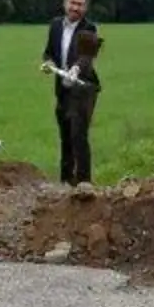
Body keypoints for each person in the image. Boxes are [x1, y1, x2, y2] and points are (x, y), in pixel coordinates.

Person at [41, 0, 100, 184]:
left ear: (85, 8)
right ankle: (66, 184)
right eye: (72, 3)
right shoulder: (55, 25)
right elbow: (49, 52)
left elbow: (86, 57)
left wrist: (75, 69)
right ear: (66, 3)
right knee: (65, 136)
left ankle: (84, 184)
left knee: (78, 136)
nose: (75, 8)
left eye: (80, 5)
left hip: (83, 89)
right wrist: (48, 63)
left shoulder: (89, 29)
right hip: (63, 89)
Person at [58, 29, 104, 188]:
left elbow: (80, 65)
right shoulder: (86, 61)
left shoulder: (84, 61)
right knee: (75, 138)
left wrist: (74, 70)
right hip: (78, 102)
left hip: (81, 103)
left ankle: (83, 179)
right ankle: (76, 178)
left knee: (78, 139)